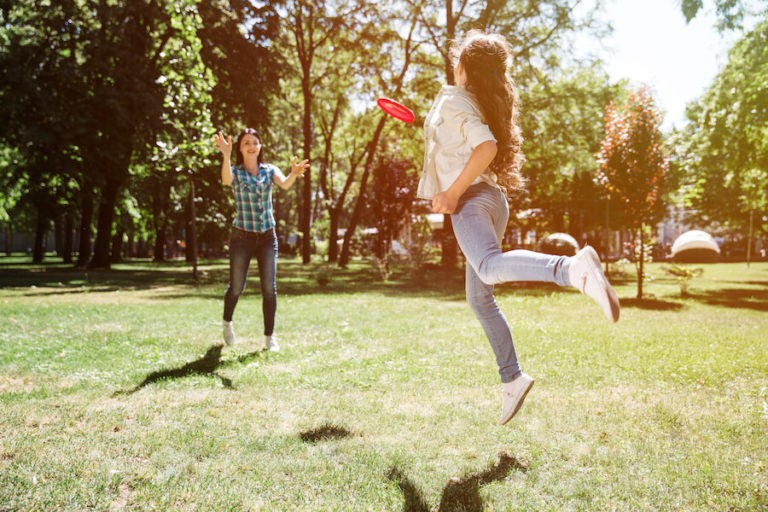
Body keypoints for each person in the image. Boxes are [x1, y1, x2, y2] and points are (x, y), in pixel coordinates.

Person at [418, 31, 620, 425]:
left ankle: (570, 269)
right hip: (493, 201)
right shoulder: (475, 101)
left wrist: (453, 192)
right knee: (480, 298)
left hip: (473, 200)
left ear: (462, 69)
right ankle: (512, 378)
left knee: (490, 265)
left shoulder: (455, 99)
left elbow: (486, 147)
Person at [214, 128, 309, 352]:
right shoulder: (236, 172)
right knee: (237, 286)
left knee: (269, 287)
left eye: (255, 142)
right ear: (240, 148)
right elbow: (226, 181)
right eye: (246, 142)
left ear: (260, 147)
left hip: (267, 237)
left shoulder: (269, 170)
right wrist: (225, 155)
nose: (251, 145)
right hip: (241, 238)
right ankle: (227, 322)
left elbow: (284, 184)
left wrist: (293, 174)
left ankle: (269, 337)